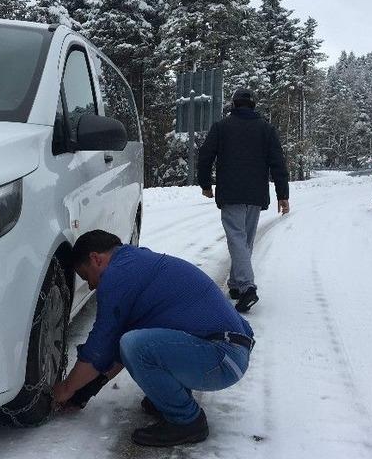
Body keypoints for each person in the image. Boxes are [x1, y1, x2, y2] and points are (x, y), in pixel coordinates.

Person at [52, 230, 255, 447]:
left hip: (221, 356)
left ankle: (187, 421)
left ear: (95, 259)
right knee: (132, 342)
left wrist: (65, 389)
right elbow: (116, 351)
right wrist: (86, 390)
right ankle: (170, 398)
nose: (91, 286)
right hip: (227, 352)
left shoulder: (117, 275)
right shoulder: (135, 263)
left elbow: (101, 346)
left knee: (134, 344)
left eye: (86, 277)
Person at [197, 87, 290, 313]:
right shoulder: (266, 129)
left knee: (237, 240)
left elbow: (205, 156)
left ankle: (247, 287)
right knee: (244, 241)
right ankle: (236, 285)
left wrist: (205, 184)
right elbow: (278, 163)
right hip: (255, 195)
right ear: (253, 105)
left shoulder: (222, 127)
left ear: (234, 104)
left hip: (231, 194)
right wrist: (283, 195)